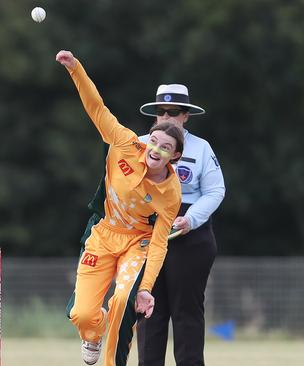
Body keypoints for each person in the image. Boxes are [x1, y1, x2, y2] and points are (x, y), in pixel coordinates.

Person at [56, 50, 183, 366]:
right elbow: (97, 109)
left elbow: (158, 244)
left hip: (136, 243)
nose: (155, 149)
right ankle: (92, 334)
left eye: (165, 148)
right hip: (103, 235)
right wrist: (76, 69)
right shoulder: (125, 143)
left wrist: (146, 289)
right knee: (82, 315)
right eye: (153, 140)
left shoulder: (170, 193)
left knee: (123, 300)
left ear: (175, 157)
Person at [136, 84, 225, 366]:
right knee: (148, 311)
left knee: (186, 313)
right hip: (147, 233)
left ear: (185, 116)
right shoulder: (138, 144)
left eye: (173, 112)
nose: (166, 117)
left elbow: (215, 191)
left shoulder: (200, 148)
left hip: (188, 236)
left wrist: (191, 219)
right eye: (161, 111)